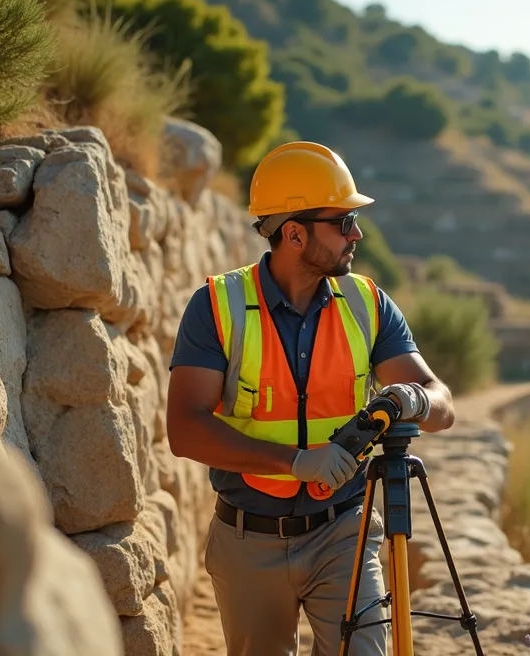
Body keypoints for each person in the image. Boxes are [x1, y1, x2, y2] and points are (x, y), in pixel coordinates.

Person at [165, 140, 456, 656]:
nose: (357, 234)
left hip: (345, 531)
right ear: (294, 232)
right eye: (343, 222)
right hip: (247, 540)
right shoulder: (217, 306)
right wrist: (295, 461)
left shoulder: (367, 303)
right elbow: (185, 428)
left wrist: (411, 398)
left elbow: (442, 403)